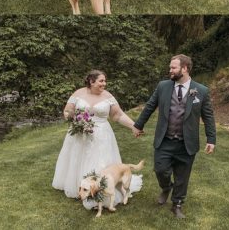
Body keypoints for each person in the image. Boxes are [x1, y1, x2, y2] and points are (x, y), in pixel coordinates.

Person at [132, 55, 216, 220]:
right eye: (170, 68)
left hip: (187, 143)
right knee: (161, 169)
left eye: (173, 68)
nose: (170, 70)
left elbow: (208, 117)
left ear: (184, 68)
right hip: (165, 140)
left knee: (182, 176)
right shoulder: (163, 86)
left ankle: (177, 204)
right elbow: (150, 105)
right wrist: (138, 125)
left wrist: (211, 139)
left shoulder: (201, 91)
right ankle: (165, 187)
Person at [52, 70, 143, 205]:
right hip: (80, 134)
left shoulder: (108, 96)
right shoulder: (78, 94)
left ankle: (100, 189)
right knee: (79, 157)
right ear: (91, 81)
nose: (104, 84)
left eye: (105, 81)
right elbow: (67, 111)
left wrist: (134, 126)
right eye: (101, 81)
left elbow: (118, 115)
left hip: (102, 135)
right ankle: (80, 186)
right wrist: (74, 118)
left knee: (100, 161)